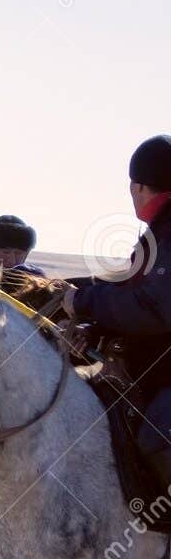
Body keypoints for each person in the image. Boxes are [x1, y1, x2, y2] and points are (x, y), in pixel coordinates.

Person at [64, 134, 171, 492]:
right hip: (155, 372)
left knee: (157, 436)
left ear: (137, 186)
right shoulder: (159, 233)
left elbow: (153, 309)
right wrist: (94, 329)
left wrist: (82, 302)